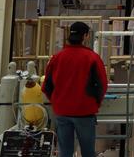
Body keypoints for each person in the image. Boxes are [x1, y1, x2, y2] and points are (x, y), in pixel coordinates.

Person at [43, 22, 108, 157]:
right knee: (88, 152)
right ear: (85, 36)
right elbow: (102, 85)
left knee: (65, 152)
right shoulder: (92, 58)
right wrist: (95, 103)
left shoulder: (57, 58)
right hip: (85, 112)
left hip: (62, 112)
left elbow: (47, 86)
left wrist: (57, 102)